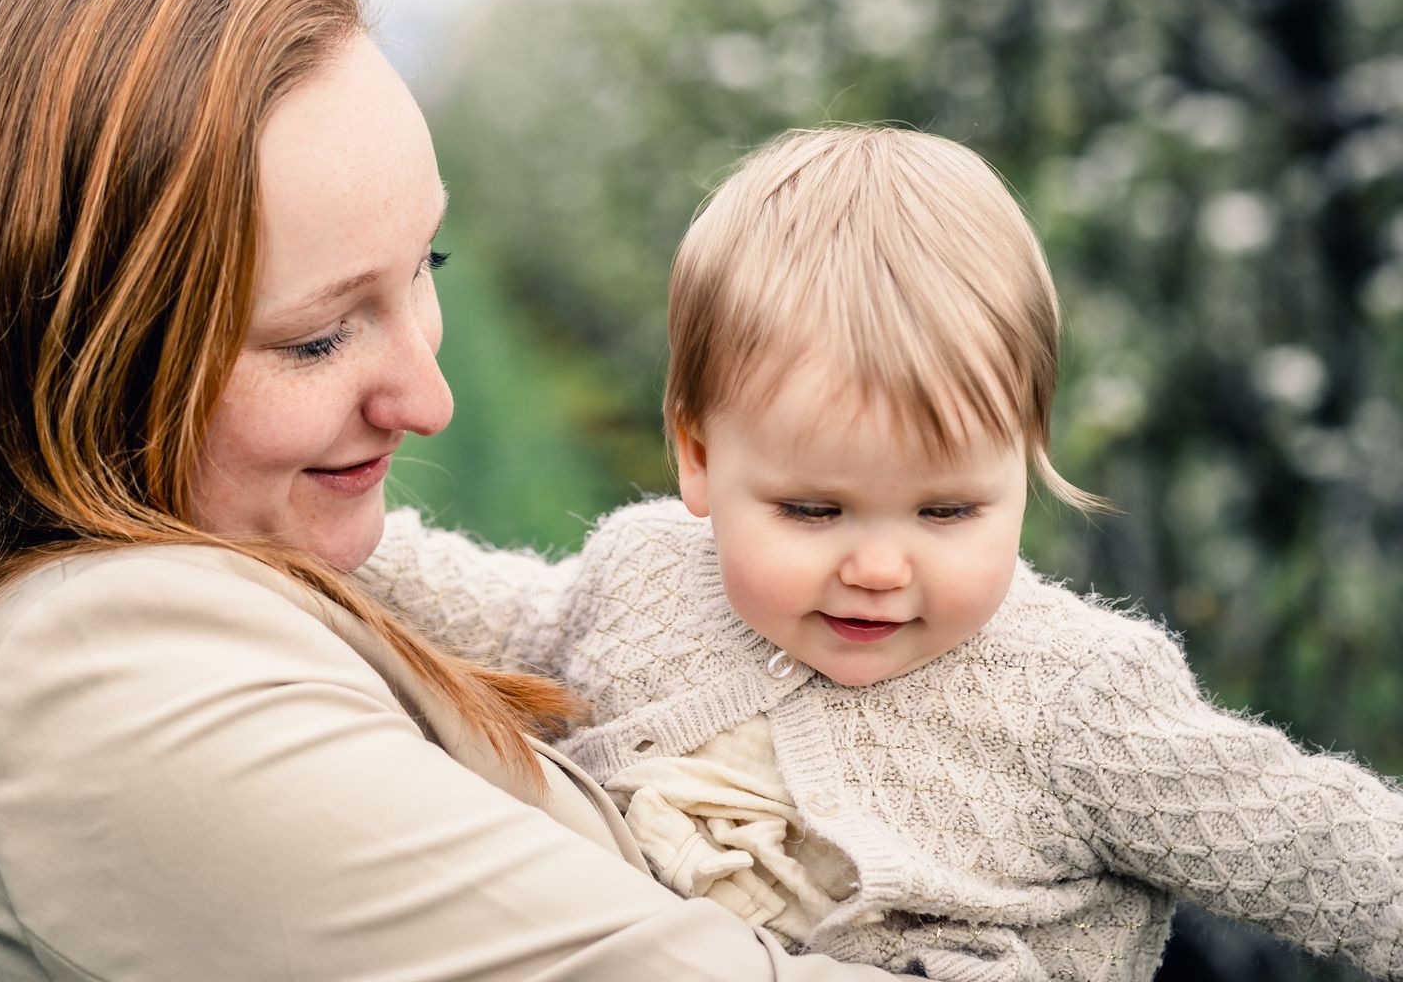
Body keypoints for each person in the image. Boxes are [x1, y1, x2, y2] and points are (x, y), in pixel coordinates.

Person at [0, 0, 908, 980]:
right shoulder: (114, 688)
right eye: (315, 338)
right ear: (76, 352)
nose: (429, 397)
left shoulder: (180, 608)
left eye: (423, 267)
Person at [358, 127, 1403, 982]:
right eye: (814, 508)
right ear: (699, 457)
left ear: (1026, 463)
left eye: (947, 511)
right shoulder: (644, 577)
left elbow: (1319, 841)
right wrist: (304, 539)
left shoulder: (1076, 696)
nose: (878, 565)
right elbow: (493, 607)